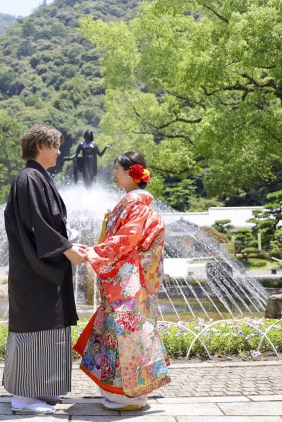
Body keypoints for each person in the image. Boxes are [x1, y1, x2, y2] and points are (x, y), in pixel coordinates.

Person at [74, 151, 171, 411]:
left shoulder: (136, 206)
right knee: (124, 336)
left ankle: (130, 396)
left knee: (128, 337)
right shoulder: (134, 204)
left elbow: (126, 240)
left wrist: (93, 253)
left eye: (117, 168)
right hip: (129, 282)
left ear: (132, 172)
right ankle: (123, 394)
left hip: (129, 284)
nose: (113, 173)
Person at [2, 124, 88, 415]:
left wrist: (69, 239)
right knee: (34, 325)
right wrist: (66, 248)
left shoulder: (38, 178)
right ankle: (24, 396)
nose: (59, 152)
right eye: (55, 146)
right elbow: (38, 224)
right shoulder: (29, 179)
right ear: (39, 145)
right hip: (33, 270)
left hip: (43, 268)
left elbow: (49, 224)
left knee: (48, 325)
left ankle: (42, 388)